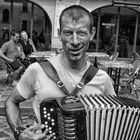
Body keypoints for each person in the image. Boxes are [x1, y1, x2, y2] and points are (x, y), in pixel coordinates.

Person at [5, 5, 116, 140]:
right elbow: (11, 101)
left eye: (81, 33)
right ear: (59, 33)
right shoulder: (37, 70)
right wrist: (20, 132)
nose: (74, 41)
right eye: (68, 32)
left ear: (92, 34)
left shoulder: (103, 79)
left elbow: (114, 120)